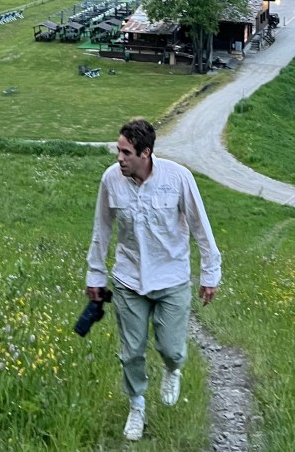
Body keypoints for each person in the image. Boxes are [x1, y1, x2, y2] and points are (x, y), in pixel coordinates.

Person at [86, 117, 221, 443]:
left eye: (126, 153)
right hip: (129, 279)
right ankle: (137, 405)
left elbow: (201, 228)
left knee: (171, 349)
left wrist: (209, 274)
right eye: (118, 150)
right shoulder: (111, 180)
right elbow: (101, 229)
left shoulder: (178, 179)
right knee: (131, 351)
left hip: (171, 278)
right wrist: (95, 274)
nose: (119, 158)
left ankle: (173, 370)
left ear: (145, 153)